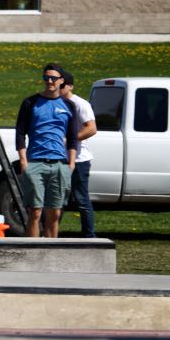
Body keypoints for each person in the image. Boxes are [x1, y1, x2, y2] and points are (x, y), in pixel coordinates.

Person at [14, 62, 81, 238]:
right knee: (35, 213)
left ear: (61, 81)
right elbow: (20, 133)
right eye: (46, 77)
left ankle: (52, 252)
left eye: (53, 78)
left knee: (55, 214)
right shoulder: (30, 102)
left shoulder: (69, 105)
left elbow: (73, 137)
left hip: (60, 164)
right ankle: (33, 253)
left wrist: (71, 164)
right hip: (35, 163)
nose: (49, 81)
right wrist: (24, 163)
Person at [60, 70, 98, 238]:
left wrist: (69, 141)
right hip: (60, 159)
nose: (58, 88)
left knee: (81, 200)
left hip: (80, 159)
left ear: (70, 86)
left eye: (62, 85)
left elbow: (91, 129)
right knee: (57, 200)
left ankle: (89, 236)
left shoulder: (80, 104)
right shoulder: (56, 103)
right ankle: (50, 235)